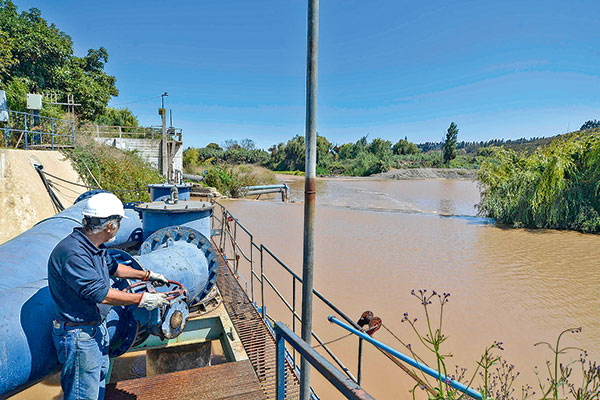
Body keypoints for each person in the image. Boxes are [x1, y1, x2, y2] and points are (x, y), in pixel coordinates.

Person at [48, 192, 170, 400]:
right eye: (119, 222)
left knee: (97, 387)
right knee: (82, 394)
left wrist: (148, 275)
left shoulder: (92, 246)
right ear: (111, 226)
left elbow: (114, 268)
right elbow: (100, 294)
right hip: (79, 335)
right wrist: (142, 299)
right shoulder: (73, 253)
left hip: (96, 329)